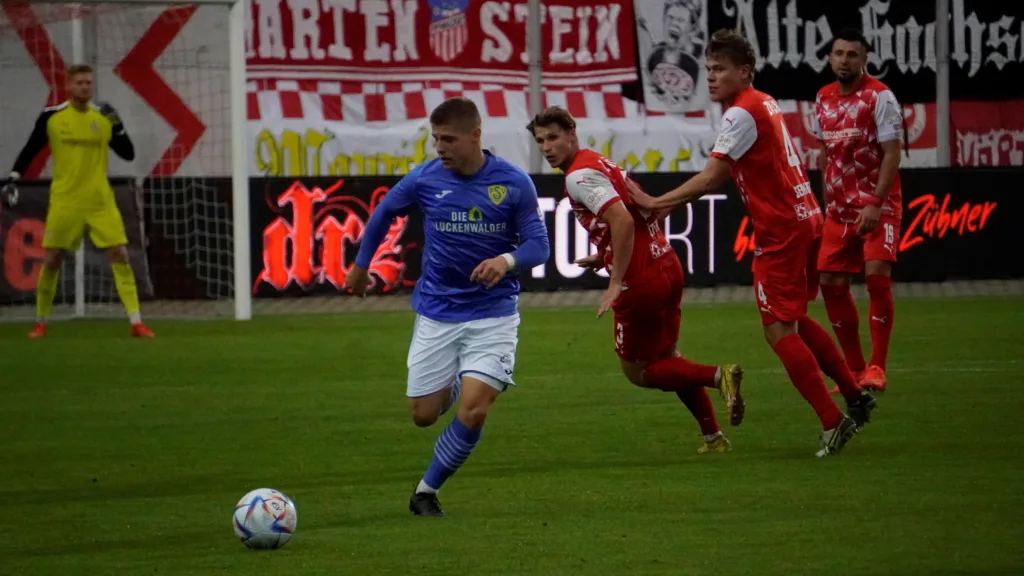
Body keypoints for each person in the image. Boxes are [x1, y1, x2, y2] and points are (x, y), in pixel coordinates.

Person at [627, 29, 876, 457]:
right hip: (805, 218)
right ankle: (855, 395)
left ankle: (833, 421)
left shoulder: (741, 112)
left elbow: (711, 177)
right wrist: (668, 205)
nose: (711, 77)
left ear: (744, 71)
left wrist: (654, 202)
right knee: (794, 316)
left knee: (778, 329)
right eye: (708, 69)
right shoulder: (765, 102)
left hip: (780, 231)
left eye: (720, 69)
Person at [344, 97, 550, 516]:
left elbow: (538, 246)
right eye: (435, 138)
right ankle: (458, 377)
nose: (440, 147)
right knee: (423, 415)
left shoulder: (513, 184)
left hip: (493, 314)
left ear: (475, 136)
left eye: (449, 139)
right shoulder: (424, 178)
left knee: (473, 411)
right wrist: (361, 264)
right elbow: (384, 212)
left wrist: (505, 261)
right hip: (437, 312)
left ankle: (426, 491)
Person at [527, 106, 744, 454]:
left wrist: (615, 281)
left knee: (639, 372)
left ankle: (719, 376)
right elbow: (644, 212)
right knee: (669, 357)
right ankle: (713, 438)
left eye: (553, 137)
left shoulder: (577, 176)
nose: (547, 147)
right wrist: (605, 254)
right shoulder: (602, 162)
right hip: (667, 266)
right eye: (540, 141)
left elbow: (623, 222)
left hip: (639, 282)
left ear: (572, 133)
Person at [1, 64, 154, 338]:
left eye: (88, 83)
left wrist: (117, 125)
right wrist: (14, 176)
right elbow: (31, 147)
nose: (85, 87)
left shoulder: (103, 117)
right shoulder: (52, 117)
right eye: (80, 83)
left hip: (100, 200)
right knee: (52, 258)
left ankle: (136, 322)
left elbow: (128, 153)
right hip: (65, 200)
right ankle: (41, 322)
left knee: (119, 254)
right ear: (68, 86)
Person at [812, 28, 904, 393]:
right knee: (830, 284)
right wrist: (825, 203)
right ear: (830, 58)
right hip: (839, 210)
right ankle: (853, 369)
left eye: (852, 54)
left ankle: (877, 367)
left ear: (864, 58)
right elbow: (826, 154)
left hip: (877, 206)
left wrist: (876, 202)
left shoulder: (879, 97)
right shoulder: (822, 98)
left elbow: (892, 153)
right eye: (838, 53)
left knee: (876, 276)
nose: (844, 60)